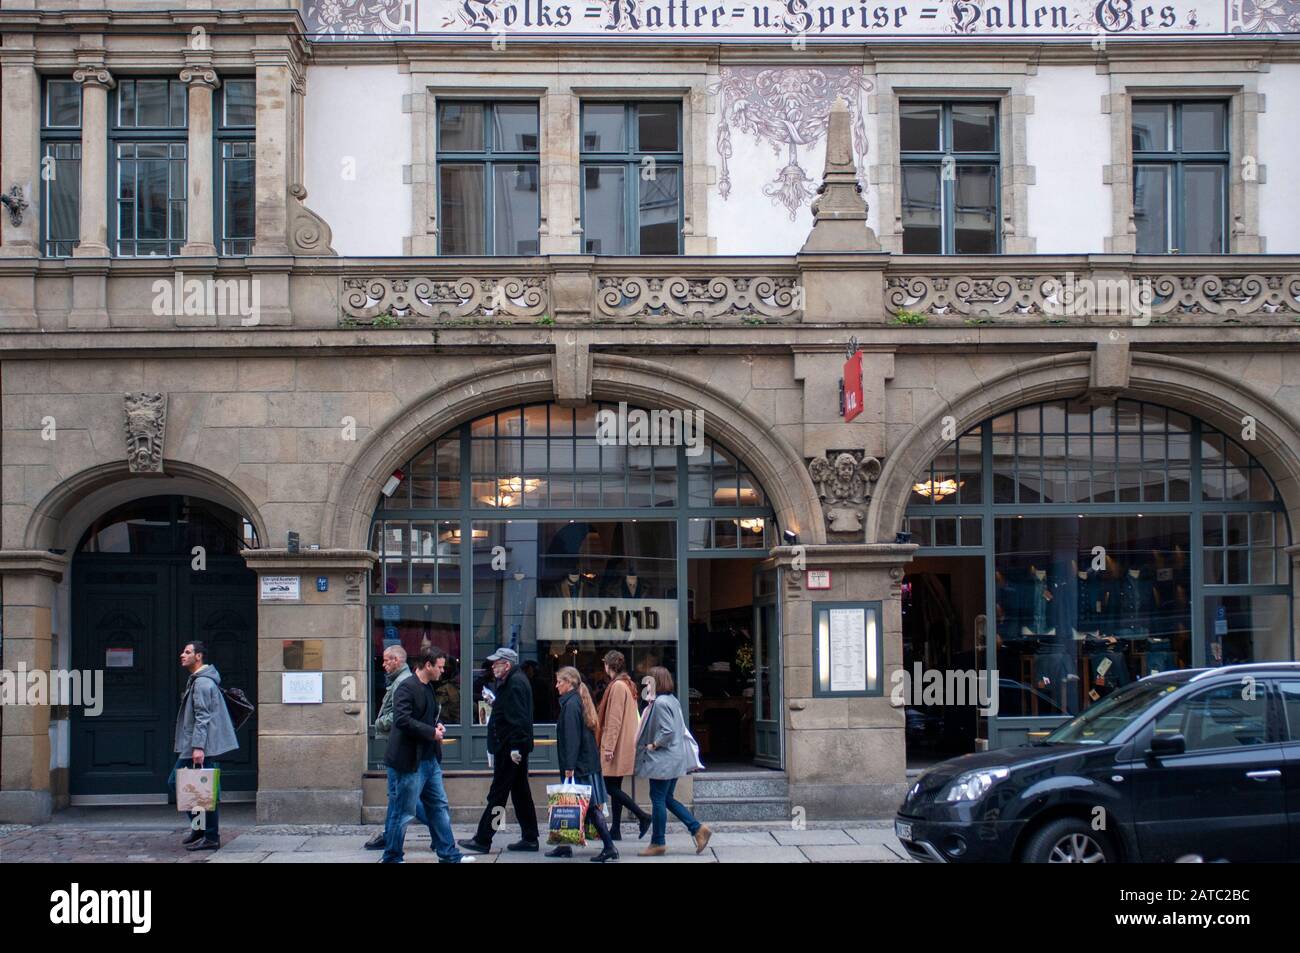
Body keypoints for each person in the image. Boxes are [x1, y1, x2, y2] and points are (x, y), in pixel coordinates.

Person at [381, 650, 471, 864]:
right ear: (428, 665)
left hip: (429, 761)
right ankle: (392, 857)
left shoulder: (429, 688)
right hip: (409, 762)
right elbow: (402, 720)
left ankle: (449, 855)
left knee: (439, 807)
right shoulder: (406, 687)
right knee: (402, 812)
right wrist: (431, 732)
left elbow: (427, 718)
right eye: (439, 667)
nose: (442, 670)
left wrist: (437, 726)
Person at [459, 647, 539, 853]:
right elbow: (512, 711)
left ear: (507, 664)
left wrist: (515, 748)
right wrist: (495, 702)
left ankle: (484, 839)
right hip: (512, 747)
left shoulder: (515, 683)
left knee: (498, 795)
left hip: (510, 749)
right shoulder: (513, 681)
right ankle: (530, 838)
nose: (493, 666)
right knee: (520, 793)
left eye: (497, 663)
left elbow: (520, 720)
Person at [634, 665, 711, 857]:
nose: (646, 684)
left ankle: (658, 842)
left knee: (658, 798)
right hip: (674, 758)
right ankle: (697, 829)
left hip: (663, 760)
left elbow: (667, 731)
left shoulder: (660, 703)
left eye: (649, 681)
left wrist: (654, 744)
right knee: (666, 797)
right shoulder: (672, 700)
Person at [173, 641, 239, 852]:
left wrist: (198, 747)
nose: (182, 655)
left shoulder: (202, 683)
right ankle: (200, 829)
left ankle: (209, 835)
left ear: (199, 656)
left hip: (200, 746)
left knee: (200, 791)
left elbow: (203, 717)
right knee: (197, 790)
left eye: (187, 652)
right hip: (195, 745)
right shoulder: (198, 680)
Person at [549, 666, 618, 863]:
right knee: (571, 804)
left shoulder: (571, 705)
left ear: (569, 682)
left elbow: (572, 739)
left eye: (559, 681)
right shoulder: (575, 701)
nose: (556, 685)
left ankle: (609, 847)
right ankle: (564, 845)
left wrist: (569, 767)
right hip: (585, 763)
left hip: (579, 766)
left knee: (588, 808)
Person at [364, 645, 426, 850]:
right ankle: (391, 837)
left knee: (402, 797)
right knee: (397, 796)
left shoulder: (402, 682)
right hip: (396, 743)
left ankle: (440, 829)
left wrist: (380, 722)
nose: (383, 665)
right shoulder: (399, 680)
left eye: (386, 660)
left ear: (397, 661)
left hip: (399, 744)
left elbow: (401, 716)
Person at [596, 650, 651, 840]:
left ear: (608, 665)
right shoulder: (627, 683)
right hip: (624, 742)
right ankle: (616, 829)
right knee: (614, 786)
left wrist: (608, 748)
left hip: (617, 745)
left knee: (609, 787)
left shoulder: (618, 686)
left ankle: (643, 816)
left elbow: (614, 719)